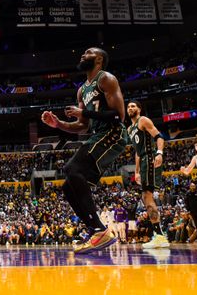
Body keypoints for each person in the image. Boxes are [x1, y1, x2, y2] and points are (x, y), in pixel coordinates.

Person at [41, 47, 127, 253]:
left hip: (113, 133)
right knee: (68, 187)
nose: (82, 54)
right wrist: (59, 124)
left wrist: (84, 112)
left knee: (72, 168)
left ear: (99, 59)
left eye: (88, 52)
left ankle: (100, 230)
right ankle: (94, 230)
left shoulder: (106, 79)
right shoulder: (82, 90)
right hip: (98, 134)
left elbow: (118, 116)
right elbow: (83, 126)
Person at [127, 100, 169, 249]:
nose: (130, 108)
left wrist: (159, 153)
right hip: (143, 160)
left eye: (133, 106)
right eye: (128, 107)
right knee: (145, 197)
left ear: (139, 109)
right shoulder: (129, 129)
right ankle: (158, 235)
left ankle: (159, 236)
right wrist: (136, 171)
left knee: (147, 196)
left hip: (150, 158)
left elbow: (159, 136)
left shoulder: (143, 120)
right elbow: (137, 152)